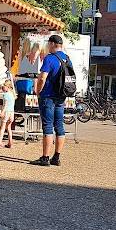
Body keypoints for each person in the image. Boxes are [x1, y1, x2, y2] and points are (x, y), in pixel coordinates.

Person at [31, 34, 68, 166]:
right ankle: (56, 157)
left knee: (47, 126)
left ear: (52, 44)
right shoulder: (66, 58)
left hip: (48, 96)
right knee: (59, 126)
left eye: (48, 44)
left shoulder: (50, 58)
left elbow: (42, 78)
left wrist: (38, 91)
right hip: (61, 96)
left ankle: (45, 157)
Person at [0, 76, 16, 148]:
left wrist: (2, 112)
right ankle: (10, 143)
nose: (2, 87)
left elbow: (5, 105)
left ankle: (0, 143)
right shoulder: (13, 94)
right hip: (12, 112)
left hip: (6, 112)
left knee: (2, 128)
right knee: (9, 128)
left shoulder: (5, 95)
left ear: (8, 87)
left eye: (4, 86)